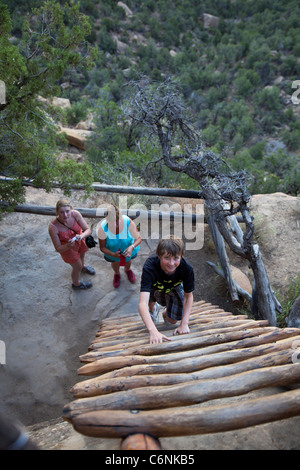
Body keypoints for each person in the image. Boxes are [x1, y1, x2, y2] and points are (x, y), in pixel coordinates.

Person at [138, 236, 194, 344]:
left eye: (176, 258)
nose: (171, 263)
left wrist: (184, 324)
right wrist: (153, 331)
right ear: (159, 256)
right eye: (167, 258)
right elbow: (142, 303)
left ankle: (165, 312)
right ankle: (154, 309)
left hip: (174, 287)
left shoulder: (187, 268)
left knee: (172, 321)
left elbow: (188, 296)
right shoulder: (150, 266)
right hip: (155, 286)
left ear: (181, 256)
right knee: (150, 304)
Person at [49, 198, 95, 290]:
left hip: (79, 241)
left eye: (67, 211)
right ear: (57, 212)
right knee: (76, 267)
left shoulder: (75, 214)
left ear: (71, 209)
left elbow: (87, 230)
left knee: (82, 255)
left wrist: (81, 236)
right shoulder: (53, 227)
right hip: (67, 249)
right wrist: (68, 246)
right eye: (61, 212)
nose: (65, 215)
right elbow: (58, 248)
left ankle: (83, 266)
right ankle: (76, 284)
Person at [98, 204, 142, 288]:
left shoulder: (128, 221)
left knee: (128, 261)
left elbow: (139, 238)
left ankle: (127, 270)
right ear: (107, 219)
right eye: (111, 222)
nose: (114, 225)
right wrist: (113, 254)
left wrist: (132, 247)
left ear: (120, 217)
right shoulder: (102, 229)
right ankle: (117, 274)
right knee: (115, 263)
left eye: (117, 221)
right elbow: (102, 247)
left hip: (129, 250)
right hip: (112, 253)